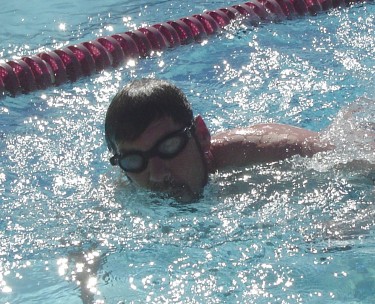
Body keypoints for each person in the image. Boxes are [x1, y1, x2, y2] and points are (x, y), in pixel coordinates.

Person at [105, 78, 331, 202]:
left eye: (169, 146)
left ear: (202, 135)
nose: (156, 174)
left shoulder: (273, 151)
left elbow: (356, 159)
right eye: (134, 160)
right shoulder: (126, 187)